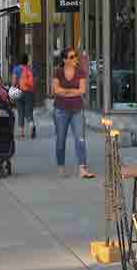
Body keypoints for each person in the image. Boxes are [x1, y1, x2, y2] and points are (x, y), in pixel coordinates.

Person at [52, 47, 93, 179]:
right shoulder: (58, 72)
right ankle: (60, 167)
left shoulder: (80, 72)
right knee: (60, 140)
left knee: (80, 139)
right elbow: (56, 90)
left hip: (77, 110)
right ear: (65, 60)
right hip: (60, 110)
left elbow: (82, 90)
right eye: (71, 57)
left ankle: (82, 169)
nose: (75, 58)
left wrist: (65, 92)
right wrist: (72, 92)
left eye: (75, 56)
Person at [12, 55, 36, 140]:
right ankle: (31, 126)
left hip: (19, 92)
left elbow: (14, 82)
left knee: (20, 111)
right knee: (29, 111)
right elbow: (34, 82)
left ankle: (21, 133)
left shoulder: (16, 69)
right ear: (27, 61)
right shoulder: (31, 70)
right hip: (29, 93)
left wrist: (13, 88)